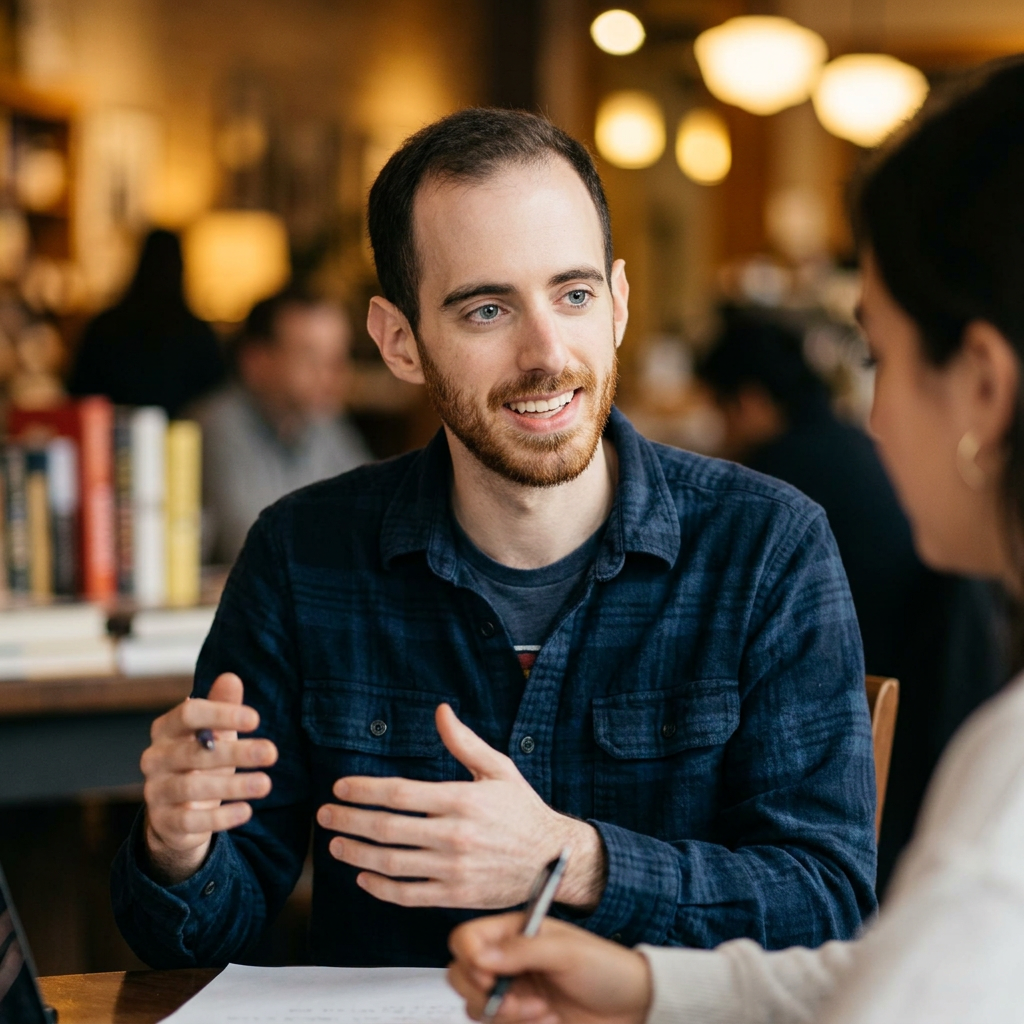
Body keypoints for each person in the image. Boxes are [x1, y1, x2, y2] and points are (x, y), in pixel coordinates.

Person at [110, 108, 876, 969]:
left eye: (575, 294)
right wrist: (178, 849)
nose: (547, 352)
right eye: (486, 310)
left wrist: (572, 858)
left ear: (618, 304)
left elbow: (828, 904)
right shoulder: (301, 555)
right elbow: (204, 931)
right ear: (400, 342)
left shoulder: (767, 548)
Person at [448, 57, 1024, 1024]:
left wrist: (583, 862)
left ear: (982, 386)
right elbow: (902, 975)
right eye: (488, 307)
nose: (872, 422)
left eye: (879, 356)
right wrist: (649, 987)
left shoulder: (1003, 783)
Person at [697, 314, 1005, 892]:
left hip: (878, 762)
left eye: (878, 358)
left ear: (752, 402)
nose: (876, 418)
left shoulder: (767, 503)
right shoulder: (845, 452)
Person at [191, 290, 372, 564]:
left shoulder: (326, 423)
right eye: (310, 357)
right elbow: (251, 544)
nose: (333, 373)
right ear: (255, 361)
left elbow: (377, 520)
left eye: (339, 356)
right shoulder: (216, 425)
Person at [68, 229, 225, 417]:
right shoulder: (197, 333)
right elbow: (214, 394)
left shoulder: (104, 326)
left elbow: (79, 393)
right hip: (180, 439)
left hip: (114, 437)